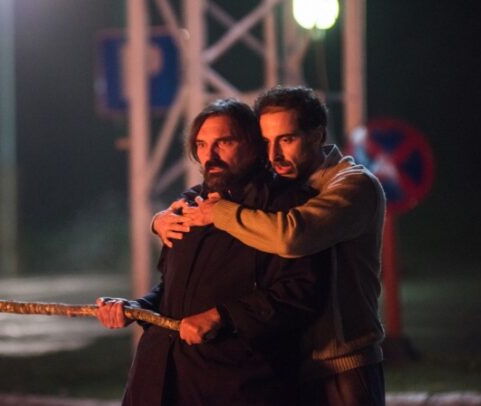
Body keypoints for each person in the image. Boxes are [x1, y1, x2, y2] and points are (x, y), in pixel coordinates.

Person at [153, 86, 386, 406]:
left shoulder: (352, 185)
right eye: (265, 142)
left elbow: (291, 235)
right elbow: (215, 190)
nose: (274, 155)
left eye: (286, 139)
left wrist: (217, 213)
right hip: (289, 367)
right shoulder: (282, 187)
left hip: (340, 365)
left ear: (317, 135)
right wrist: (161, 219)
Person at [97, 98, 331, 405]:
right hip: (157, 383)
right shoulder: (188, 204)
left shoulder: (285, 207)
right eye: (202, 145)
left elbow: (302, 293)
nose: (211, 155)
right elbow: (171, 288)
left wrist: (222, 316)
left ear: (254, 146)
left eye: (225, 142)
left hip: (236, 386)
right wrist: (136, 307)